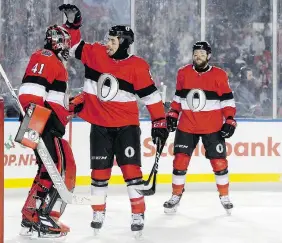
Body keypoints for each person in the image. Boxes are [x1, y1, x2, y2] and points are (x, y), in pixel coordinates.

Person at [58, 4, 169, 236]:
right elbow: (74, 45)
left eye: (113, 41)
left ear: (125, 43)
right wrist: (73, 25)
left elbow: (151, 97)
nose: (107, 44)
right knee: (99, 174)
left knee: (132, 173)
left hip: (127, 128)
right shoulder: (96, 53)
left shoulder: (137, 66)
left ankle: (138, 213)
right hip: (99, 127)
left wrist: (159, 122)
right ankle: (98, 212)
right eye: (108, 39)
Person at [16, 25, 83, 238]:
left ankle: (31, 215)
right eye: (66, 42)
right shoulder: (45, 57)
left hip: (45, 122)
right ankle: (42, 217)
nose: (68, 47)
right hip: (41, 122)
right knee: (55, 169)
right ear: (57, 41)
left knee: (52, 169)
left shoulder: (55, 63)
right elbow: (30, 93)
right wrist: (36, 122)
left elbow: (52, 99)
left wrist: (70, 105)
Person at [163, 41, 237, 215]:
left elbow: (227, 101)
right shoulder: (183, 73)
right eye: (195, 54)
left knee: (219, 163)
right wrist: (173, 114)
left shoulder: (219, 75)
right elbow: (178, 98)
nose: (198, 57)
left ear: (208, 56)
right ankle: (175, 195)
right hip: (187, 125)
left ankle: (224, 196)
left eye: (202, 54)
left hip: (212, 127)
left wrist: (230, 120)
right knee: (179, 162)